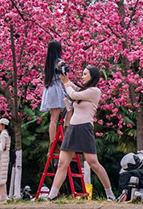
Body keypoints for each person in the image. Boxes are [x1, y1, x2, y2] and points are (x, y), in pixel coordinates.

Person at [46, 66, 115, 201]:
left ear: (93, 76)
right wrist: (63, 74)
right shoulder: (84, 90)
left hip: (84, 128)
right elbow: (71, 87)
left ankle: (110, 194)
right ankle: (52, 195)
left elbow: (73, 94)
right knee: (62, 163)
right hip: (72, 128)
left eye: (85, 74)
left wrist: (66, 82)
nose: (82, 77)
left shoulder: (94, 91)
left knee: (93, 163)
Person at [40, 41, 66, 146]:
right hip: (56, 90)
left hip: (49, 90)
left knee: (53, 119)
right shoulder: (59, 61)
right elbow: (64, 75)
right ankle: (54, 144)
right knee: (56, 118)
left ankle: (53, 142)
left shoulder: (48, 63)